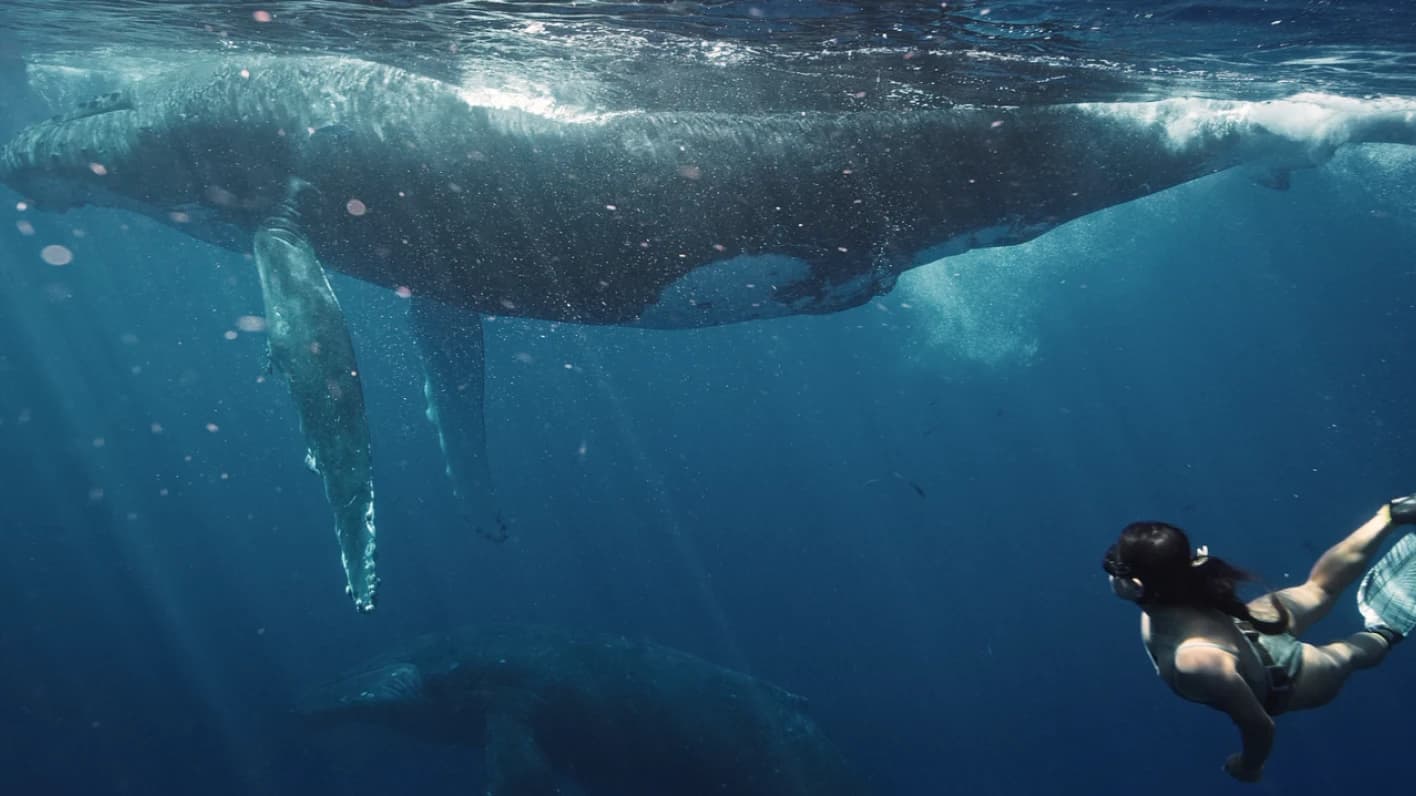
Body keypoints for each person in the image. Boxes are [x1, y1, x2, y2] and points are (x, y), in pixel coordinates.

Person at [1103, 496, 1412, 783]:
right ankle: (1388, 517)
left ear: (1134, 585)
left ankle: (1384, 632)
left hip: (1288, 681)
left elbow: (1259, 725)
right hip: (1254, 624)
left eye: (1113, 568)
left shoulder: (1194, 661)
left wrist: (1248, 766)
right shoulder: (1189, 576)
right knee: (1319, 588)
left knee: (1350, 654)